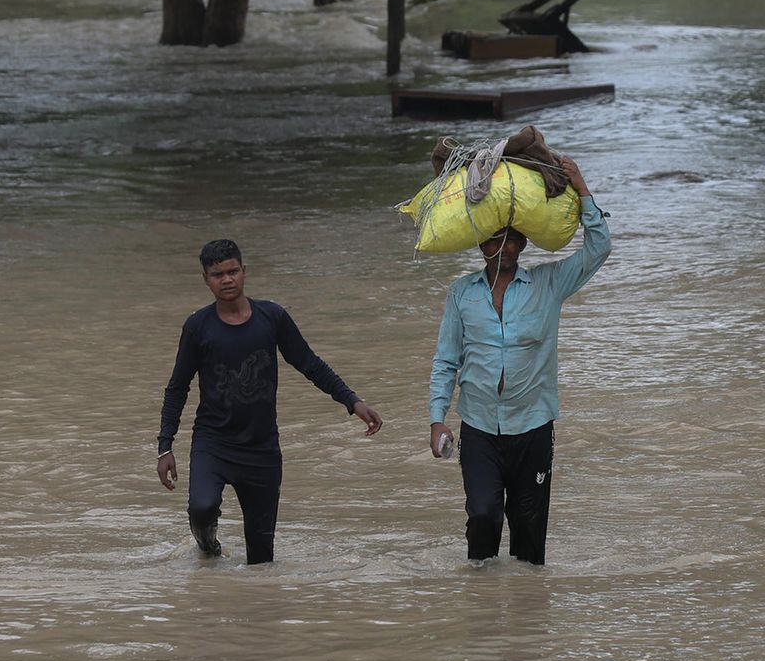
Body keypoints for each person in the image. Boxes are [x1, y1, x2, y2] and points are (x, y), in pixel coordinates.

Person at [428, 155, 610, 565]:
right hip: (478, 428)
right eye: (493, 239)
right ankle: (482, 608)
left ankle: (529, 618)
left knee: (529, 538)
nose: (502, 248)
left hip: (533, 427)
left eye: (510, 239)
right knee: (483, 517)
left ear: (523, 242)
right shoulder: (461, 294)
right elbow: (446, 361)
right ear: (480, 244)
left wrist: (581, 188)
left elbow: (600, 248)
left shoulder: (548, 284)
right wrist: (437, 418)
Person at [155, 239, 382, 564]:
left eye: (233, 271)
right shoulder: (197, 327)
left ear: (244, 272)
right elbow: (177, 387)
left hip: (261, 449)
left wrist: (353, 402)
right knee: (202, 509)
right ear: (205, 279)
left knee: (261, 560)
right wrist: (166, 446)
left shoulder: (272, 317)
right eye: (218, 274)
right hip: (213, 443)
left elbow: (310, 364)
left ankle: (258, 611)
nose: (227, 279)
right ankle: (208, 550)